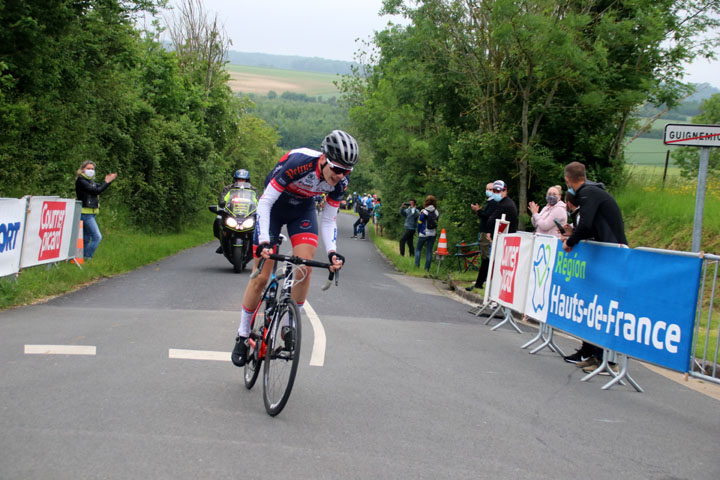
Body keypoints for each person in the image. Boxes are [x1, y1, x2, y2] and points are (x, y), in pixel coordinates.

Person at [231, 130, 359, 366]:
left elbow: (329, 219)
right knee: (261, 276)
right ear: (324, 158)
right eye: (337, 169)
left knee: (304, 268)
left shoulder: (341, 183)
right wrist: (264, 241)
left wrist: (332, 251)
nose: (340, 176)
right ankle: (242, 333)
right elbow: (266, 202)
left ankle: (289, 325)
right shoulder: (298, 163)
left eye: (347, 171)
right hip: (274, 207)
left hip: (302, 210)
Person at [560, 161, 627, 373]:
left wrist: (570, 242)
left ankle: (609, 360)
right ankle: (593, 353)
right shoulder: (587, 193)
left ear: (568, 180)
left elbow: (587, 223)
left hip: (613, 254)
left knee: (607, 307)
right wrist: (575, 234)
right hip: (605, 253)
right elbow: (589, 227)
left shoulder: (589, 193)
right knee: (594, 305)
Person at [75, 161, 117, 260]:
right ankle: (87, 256)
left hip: (91, 212)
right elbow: (96, 191)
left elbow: (98, 187)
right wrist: (107, 182)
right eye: (88, 168)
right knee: (97, 237)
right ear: (82, 169)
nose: (91, 171)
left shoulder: (90, 181)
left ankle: (81, 258)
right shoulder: (81, 181)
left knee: (86, 238)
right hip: (85, 213)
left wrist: (107, 181)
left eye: (92, 169)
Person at [215, 169, 257, 253]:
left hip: (247, 213)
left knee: (258, 222)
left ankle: (257, 244)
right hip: (232, 213)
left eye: (243, 179)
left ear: (247, 180)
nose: (241, 181)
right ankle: (222, 242)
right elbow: (222, 200)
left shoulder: (253, 190)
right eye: (239, 179)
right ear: (235, 180)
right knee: (218, 219)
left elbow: (257, 201)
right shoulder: (228, 188)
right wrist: (222, 204)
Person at [466, 183, 498, 291]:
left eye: (491, 189)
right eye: (487, 189)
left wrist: (478, 211)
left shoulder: (494, 202)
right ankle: (482, 279)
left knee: (486, 257)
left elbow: (488, 216)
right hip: (483, 231)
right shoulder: (490, 201)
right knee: (484, 256)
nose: (488, 191)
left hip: (486, 232)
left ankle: (482, 281)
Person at [414, 195, 439, 272]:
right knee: (429, 251)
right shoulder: (436, 212)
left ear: (426, 202)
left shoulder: (423, 212)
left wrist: (419, 232)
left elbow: (419, 223)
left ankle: (417, 267)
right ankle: (427, 269)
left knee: (418, 249)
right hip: (433, 234)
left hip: (424, 233)